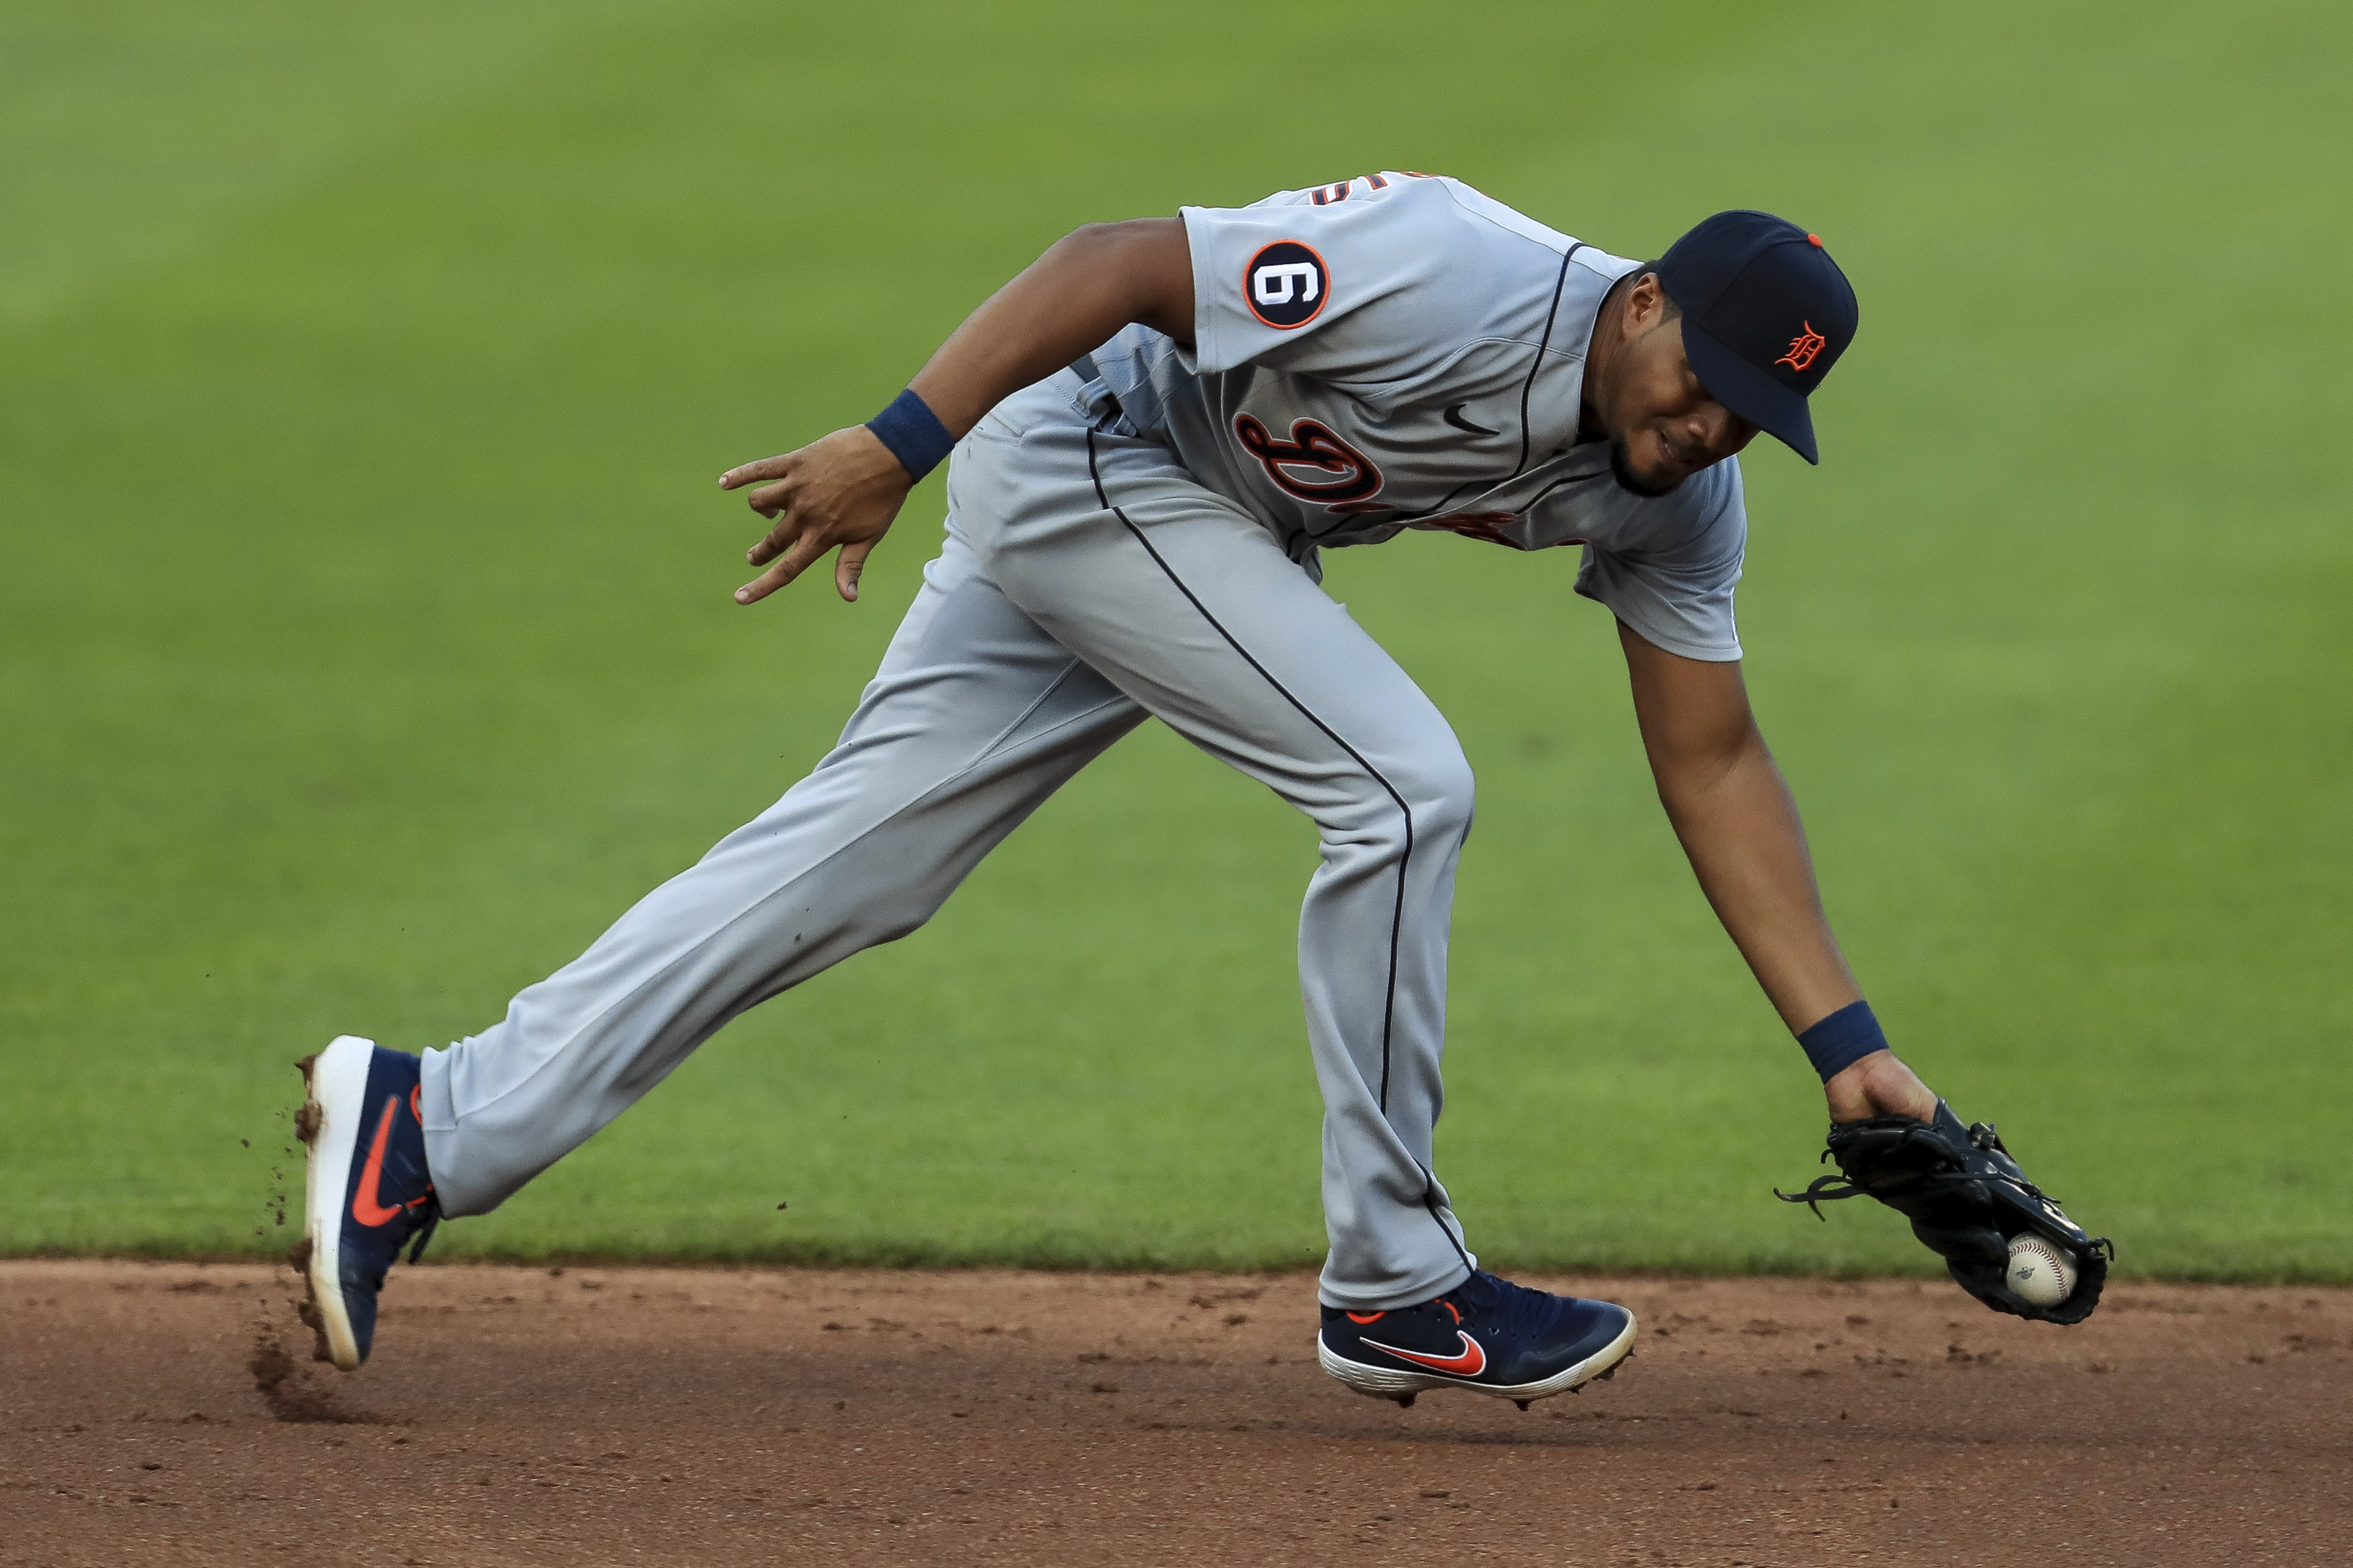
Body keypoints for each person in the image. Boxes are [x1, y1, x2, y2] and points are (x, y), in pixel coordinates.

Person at [299, 173, 1941, 1409]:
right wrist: (897, 441)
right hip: (1089, 457)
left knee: (857, 864)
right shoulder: (1447, 269)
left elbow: (1709, 756)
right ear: (1645, 300)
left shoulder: (1678, 497)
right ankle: (1391, 1279)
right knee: (1402, 789)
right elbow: (1114, 264)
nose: (1711, 420)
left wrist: (1844, 1045)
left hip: (1189, 527)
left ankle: (432, 1121)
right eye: (1703, 373)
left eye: (1754, 410)